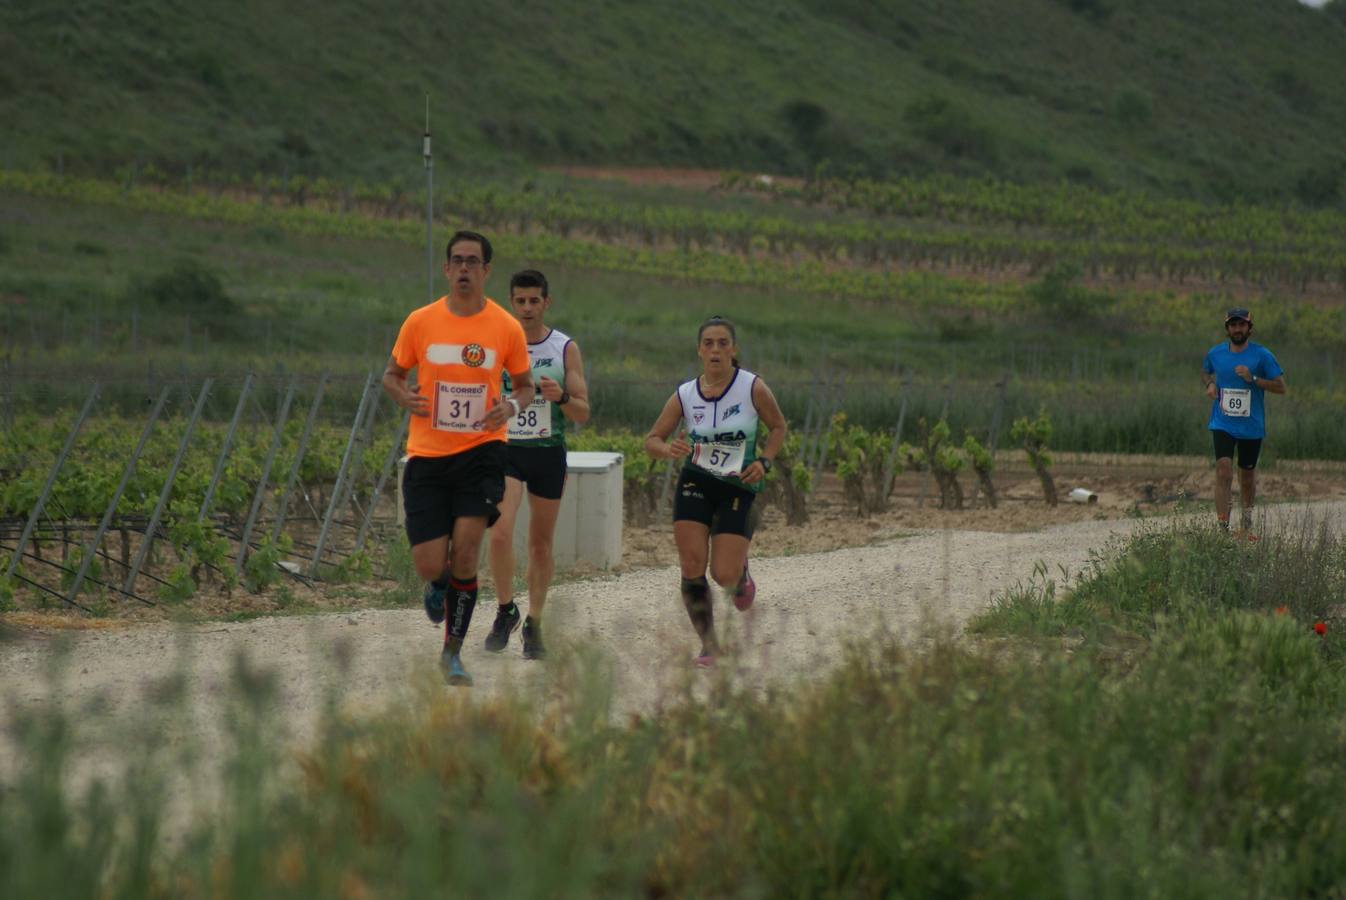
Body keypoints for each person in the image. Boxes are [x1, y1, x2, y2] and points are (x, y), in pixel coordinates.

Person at [383, 230, 534, 686]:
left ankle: (451, 654)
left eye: (473, 261)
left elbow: (525, 386)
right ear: (446, 269)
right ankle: (437, 584)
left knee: (467, 552)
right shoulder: (420, 322)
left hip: (482, 453)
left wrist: (509, 407)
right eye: (457, 261)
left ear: (486, 271)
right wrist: (403, 396)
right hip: (427, 456)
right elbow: (392, 375)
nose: (464, 269)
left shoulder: (505, 327)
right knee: (433, 565)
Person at [643, 315, 787, 667]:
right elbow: (652, 440)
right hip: (696, 481)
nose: (716, 350)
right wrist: (668, 450)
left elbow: (779, 427)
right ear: (699, 351)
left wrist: (765, 462)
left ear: (733, 350)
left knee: (723, 573)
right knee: (692, 565)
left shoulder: (752, 387)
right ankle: (710, 646)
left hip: (738, 485)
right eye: (709, 344)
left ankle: (740, 577)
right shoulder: (685, 394)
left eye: (723, 343)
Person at [484, 269, 591, 660]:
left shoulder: (564, 348)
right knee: (498, 532)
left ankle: (534, 623)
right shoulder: (496, 343)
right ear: (510, 302)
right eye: (520, 301)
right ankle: (504, 608)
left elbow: (583, 412)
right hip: (507, 450)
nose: (527, 308)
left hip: (547, 452)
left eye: (534, 301)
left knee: (540, 546)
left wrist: (561, 397)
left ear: (547, 302)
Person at [1201, 307, 1286, 534]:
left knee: (1246, 477)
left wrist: (1254, 378)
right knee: (1223, 471)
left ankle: (1246, 525)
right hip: (1223, 422)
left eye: (1241, 325)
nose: (1237, 329)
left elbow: (1281, 387)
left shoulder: (1262, 355)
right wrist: (1209, 384)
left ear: (1249, 328)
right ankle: (1222, 528)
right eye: (1233, 325)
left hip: (1251, 426)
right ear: (1227, 329)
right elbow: (1205, 371)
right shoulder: (1216, 353)